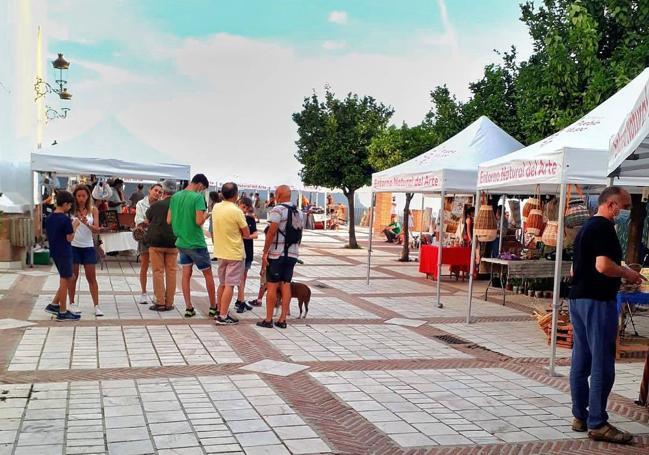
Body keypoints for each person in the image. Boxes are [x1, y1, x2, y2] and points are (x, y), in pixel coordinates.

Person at [569, 186, 645, 444]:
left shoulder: (585, 229)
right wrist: (627, 274)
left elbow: (575, 268)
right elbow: (603, 265)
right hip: (597, 301)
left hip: (578, 299)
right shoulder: (602, 228)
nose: (625, 213)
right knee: (602, 363)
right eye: (624, 207)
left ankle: (580, 415)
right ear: (611, 205)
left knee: (581, 361)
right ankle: (598, 422)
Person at [168, 173, 216, 317]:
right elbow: (198, 221)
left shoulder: (175, 197)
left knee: (186, 274)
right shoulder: (198, 197)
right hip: (196, 242)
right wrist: (207, 215)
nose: (202, 191)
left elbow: (169, 220)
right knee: (208, 274)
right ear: (200, 185)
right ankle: (213, 306)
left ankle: (189, 308)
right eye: (203, 189)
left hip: (181, 242)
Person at [257, 185, 303, 329]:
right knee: (286, 284)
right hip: (292, 254)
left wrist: (265, 252)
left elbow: (271, 233)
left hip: (277, 254)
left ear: (278, 194)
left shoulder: (277, 210)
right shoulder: (299, 212)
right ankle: (283, 319)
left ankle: (269, 319)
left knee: (272, 285)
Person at [212, 182, 250, 325]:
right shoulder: (236, 211)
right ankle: (223, 316)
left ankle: (220, 310)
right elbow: (246, 233)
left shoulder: (216, 207)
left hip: (220, 252)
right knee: (230, 285)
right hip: (234, 253)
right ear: (236, 195)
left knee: (222, 284)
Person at [43, 190, 81, 321]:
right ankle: (63, 311)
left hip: (55, 250)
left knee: (70, 277)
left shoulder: (49, 218)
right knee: (65, 279)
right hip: (65, 251)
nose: (70, 208)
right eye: (70, 205)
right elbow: (69, 238)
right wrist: (75, 226)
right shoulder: (65, 219)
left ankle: (54, 304)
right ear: (65, 204)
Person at [68, 185, 103, 316]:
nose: (81, 199)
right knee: (73, 276)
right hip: (74, 246)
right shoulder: (70, 210)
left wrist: (87, 223)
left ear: (88, 196)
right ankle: (71, 303)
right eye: (79, 196)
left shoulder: (93, 210)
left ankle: (96, 305)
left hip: (88, 246)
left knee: (91, 277)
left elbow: (97, 229)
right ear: (75, 197)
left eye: (84, 196)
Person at [146, 180, 178, 312]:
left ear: (163, 191)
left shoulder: (156, 205)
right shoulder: (178, 206)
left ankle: (160, 302)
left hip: (156, 242)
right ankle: (169, 302)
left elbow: (147, 220)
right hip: (173, 242)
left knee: (158, 272)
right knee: (172, 272)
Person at [135, 183, 163, 305]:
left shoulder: (161, 205)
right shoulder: (141, 204)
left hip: (158, 238)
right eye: (155, 190)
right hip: (145, 238)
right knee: (144, 265)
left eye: (160, 192)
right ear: (150, 190)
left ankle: (158, 294)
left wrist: (149, 223)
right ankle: (144, 292)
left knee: (158, 268)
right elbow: (139, 221)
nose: (157, 193)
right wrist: (150, 223)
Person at [234, 196, 258, 313]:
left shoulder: (250, 219)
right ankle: (240, 300)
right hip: (237, 252)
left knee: (243, 276)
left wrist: (247, 236)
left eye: (246, 208)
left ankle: (240, 300)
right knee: (239, 277)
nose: (244, 210)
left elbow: (255, 234)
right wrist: (246, 235)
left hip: (248, 251)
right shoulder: (235, 217)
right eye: (243, 207)